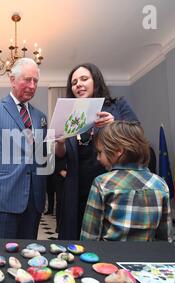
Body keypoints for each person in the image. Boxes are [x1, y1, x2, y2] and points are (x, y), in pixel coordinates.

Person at [55, 63, 139, 240]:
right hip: (76, 186)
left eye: (84, 79)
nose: (78, 84)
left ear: (96, 81)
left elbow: (137, 134)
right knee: (75, 237)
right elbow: (61, 155)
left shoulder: (117, 105)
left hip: (112, 183)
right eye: (74, 82)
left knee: (106, 234)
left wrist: (114, 124)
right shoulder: (69, 114)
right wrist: (60, 143)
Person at [0, 58, 48, 239]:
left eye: (35, 81)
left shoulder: (40, 117)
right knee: (1, 254)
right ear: (12, 79)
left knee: (28, 253)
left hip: (33, 199)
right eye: (27, 79)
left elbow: (43, 157)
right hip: (1, 197)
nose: (32, 85)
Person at [80, 121, 172, 241]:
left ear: (118, 151)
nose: (98, 158)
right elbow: (165, 239)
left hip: (109, 258)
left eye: (100, 152)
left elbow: (89, 237)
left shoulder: (102, 183)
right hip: (148, 258)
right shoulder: (160, 184)